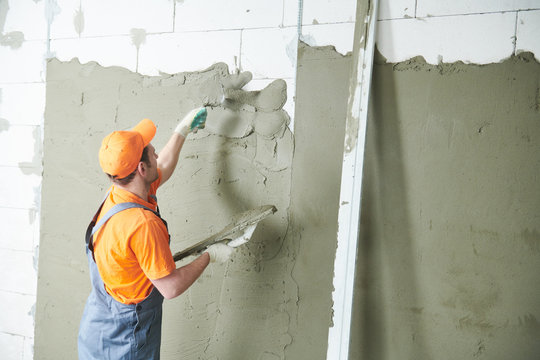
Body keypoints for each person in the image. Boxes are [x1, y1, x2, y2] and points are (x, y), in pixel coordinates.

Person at [78, 108, 233, 359]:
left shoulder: (118, 194)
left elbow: (163, 167)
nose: (157, 153)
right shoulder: (142, 224)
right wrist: (210, 256)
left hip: (97, 333)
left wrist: (182, 130)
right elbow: (170, 288)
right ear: (140, 168)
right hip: (127, 342)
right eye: (152, 151)